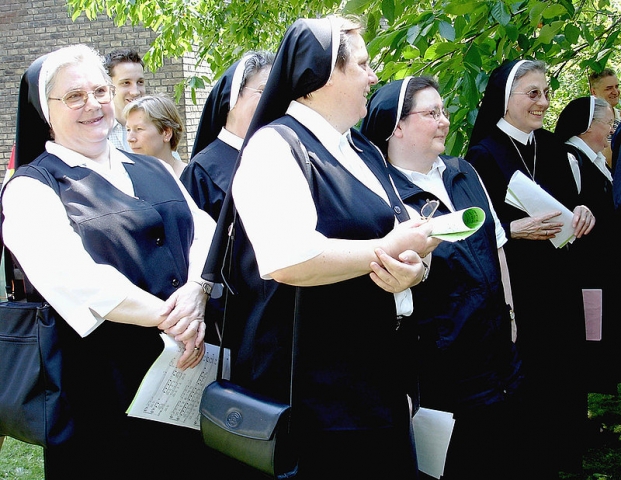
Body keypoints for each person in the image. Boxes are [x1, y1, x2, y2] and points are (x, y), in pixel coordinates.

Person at [209, 15, 441, 479]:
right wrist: (386, 249)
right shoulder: (276, 146)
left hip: (377, 376)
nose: (373, 76)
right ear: (322, 75)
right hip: (315, 390)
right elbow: (288, 258)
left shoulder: (362, 150)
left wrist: (416, 269)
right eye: (363, 65)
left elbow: (400, 234)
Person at [1, 44, 216, 479]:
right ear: (46, 110)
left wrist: (197, 290)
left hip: (182, 380)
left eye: (100, 91)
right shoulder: (32, 188)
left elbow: (204, 233)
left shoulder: (154, 169)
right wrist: (175, 319)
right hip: (97, 390)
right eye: (74, 96)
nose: (93, 105)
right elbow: (73, 277)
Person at [360, 76, 526, 480]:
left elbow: (496, 246)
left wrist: (510, 314)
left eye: (444, 111)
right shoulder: (380, 194)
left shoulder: (464, 171)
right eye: (431, 113)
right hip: (442, 370)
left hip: (500, 356)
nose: (445, 120)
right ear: (397, 126)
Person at [465, 59, 595, 477]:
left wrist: (583, 211)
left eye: (546, 93)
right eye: (533, 93)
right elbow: (471, 228)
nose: (544, 102)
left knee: (562, 377)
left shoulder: (554, 147)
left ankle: (560, 458)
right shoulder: (483, 154)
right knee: (529, 382)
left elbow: (572, 206)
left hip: (559, 285)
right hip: (517, 289)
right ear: (506, 99)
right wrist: (512, 229)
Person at [555, 95, 621, 394]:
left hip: (603, 267)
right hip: (586, 270)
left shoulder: (596, 160)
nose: (612, 131)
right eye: (609, 123)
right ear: (587, 126)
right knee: (591, 334)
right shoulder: (570, 159)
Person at [180, 51, 274, 221]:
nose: (272, 101)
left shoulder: (278, 157)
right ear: (232, 97)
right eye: (263, 91)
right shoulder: (199, 173)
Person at [124, 93, 186, 176]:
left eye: (139, 129)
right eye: (128, 130)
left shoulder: (192, 179)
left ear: (166, 133)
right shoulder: (126, 179)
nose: (130, 139)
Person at [103, 48, 146, 152]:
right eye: (126, 83)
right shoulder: (97, 133)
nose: (135, 92)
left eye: (140, 82)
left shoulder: (156, 129)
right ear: (108, 86)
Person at [589, 68, 621, 168]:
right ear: (594, 92)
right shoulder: (588, 122)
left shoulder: (619, 116)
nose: (615, 92)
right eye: (609, 88)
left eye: (617, 86)